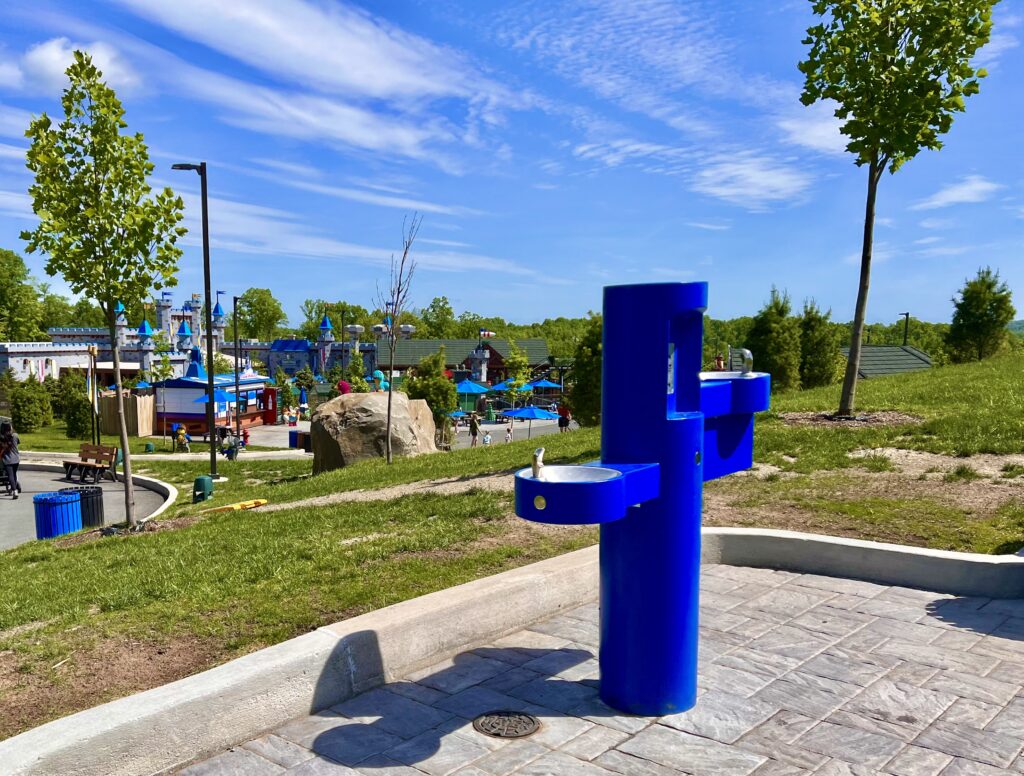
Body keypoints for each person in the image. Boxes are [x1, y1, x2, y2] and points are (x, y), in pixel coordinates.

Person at [1, 421, 21, 499]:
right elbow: (17, 443)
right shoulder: (15, 435)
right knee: (14, 474)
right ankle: (14, 489)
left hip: (7, 460)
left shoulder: (1, 438)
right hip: (16, 459)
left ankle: (14, 490)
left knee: (10, 476)